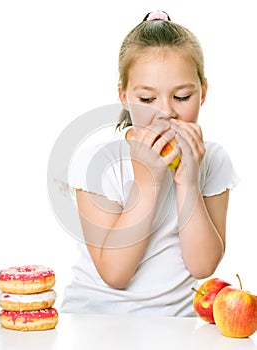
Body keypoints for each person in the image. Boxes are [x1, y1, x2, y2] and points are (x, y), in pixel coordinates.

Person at [61, 11, 239, 316]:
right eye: (147, 100)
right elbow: (115, 275)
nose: (166, 113)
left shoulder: (213, 160)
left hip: (176, 325)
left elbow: (202, 266)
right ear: (124, 96)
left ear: (203, 93)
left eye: (182, 96)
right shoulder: (98, 162)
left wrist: (189, 181)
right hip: (94, 319)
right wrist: (147, 181)